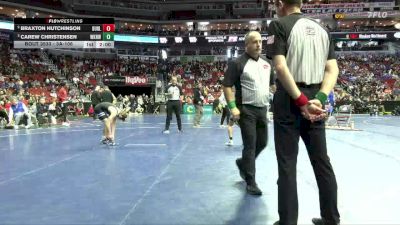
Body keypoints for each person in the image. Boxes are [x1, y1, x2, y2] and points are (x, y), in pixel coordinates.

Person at [266, 0, 340, 224]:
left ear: (280, 3)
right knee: (321, 161)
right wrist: (317, 99)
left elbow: (280, 66)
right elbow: (332, 69)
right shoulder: (322, 28)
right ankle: (331, 218)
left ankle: (288, 221)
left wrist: (301, 101)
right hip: (316, 99)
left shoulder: (278, 25)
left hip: (290, 98)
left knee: (287, 163)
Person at [223, 31, 274, 195]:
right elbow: (227, 86)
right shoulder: (237, 63)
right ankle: (250, 181)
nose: (259, 44)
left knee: (263, 142)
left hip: (262, 109)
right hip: (246, 110)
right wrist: (233, 107)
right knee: (250, 145)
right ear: (247, 45)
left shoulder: (267, 63)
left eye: (260, 41)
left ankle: (243, 163)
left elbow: (272, 86)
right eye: (254, 42)